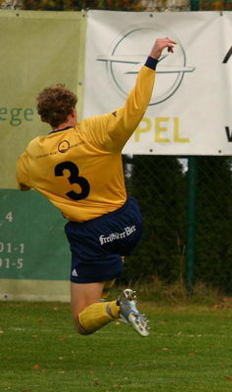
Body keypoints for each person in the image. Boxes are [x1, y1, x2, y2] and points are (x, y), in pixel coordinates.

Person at [16, 37, 177, 337]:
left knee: (81, 322)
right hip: (130, 223)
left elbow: (22, 182)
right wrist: (151, 60)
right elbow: (135, 107)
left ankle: (119, 307)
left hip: (91, 235)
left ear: (44, 118)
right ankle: (115, 267)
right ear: (73, 111)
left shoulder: (34, 152)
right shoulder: (96, 132)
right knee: (107, 266)